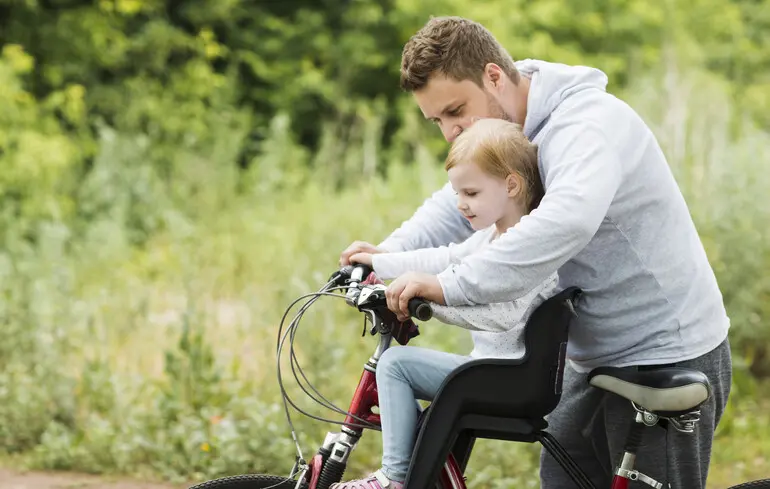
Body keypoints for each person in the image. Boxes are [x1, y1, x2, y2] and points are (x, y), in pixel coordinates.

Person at [339, 16, 732, 489]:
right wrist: (384, 257)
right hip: (585, 361)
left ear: (494, 76)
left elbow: (564, 222)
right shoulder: (503, 132)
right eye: (438, 120)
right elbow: (457, 201)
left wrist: (448, 287)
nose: (450, 131)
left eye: (455, 110)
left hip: (665, 351)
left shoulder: (586, 125)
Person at [331, 119, 558, 489]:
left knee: (396, 365)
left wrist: (429, 303)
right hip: (493, 373)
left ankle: (394, 477)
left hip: (508, 379)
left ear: (511, 185)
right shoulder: (493, 237)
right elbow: (446, 258)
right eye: (457, 194)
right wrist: (381, 260)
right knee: (402, 373)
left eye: (470, 193)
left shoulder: (527, 249)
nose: (461, 205)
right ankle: (415, 470)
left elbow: (502, 316)